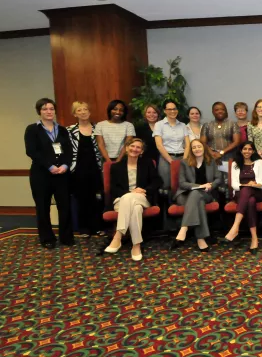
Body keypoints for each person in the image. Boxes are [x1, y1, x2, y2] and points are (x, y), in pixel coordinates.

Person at [25, 98, 74, 249]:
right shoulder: (32, 129)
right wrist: (50, 166)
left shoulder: (63, 130)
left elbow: (69, 151)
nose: (49, 112)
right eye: (45, 109)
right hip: (41, 175)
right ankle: (47, 238)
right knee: (43, 207)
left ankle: (66, 237)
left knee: (65, 206)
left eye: (51, 109)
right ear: (39, 111)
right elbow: (32, 151)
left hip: (62, 174)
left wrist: (65, 165)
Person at [104, 138, 162, 261]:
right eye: (132, 146)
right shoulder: (116, 167)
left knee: (131, 200)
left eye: (138, 147)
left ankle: (118, 236)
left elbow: (157, 181)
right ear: (126, 148)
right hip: (121, 200)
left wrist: (144, 190)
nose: (134, 149)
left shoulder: (147, 164)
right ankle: (136, 245)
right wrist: (130, 193)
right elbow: (113, 188)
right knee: (136, 208)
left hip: (142, 197)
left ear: (141, 151)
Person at [170, 139, 223, 252]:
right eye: (194, 147)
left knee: (197, 196)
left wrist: (211, 185)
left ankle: (183, 229)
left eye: (199, 146)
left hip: (206, 194)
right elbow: (182, 183)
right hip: (185, 195)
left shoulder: (211, 161)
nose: (196, 149)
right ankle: (200, 239)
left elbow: (218, 178)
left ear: (203, 148)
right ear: (191, 150)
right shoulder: (184, 162)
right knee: (198, 200)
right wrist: (199, 186)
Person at [223, 141, 262, 254]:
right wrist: (246, 185)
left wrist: (255, 185)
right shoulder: (235, 164)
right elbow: (234, 184)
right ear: (241, 150)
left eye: (250, 149)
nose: (247, 151)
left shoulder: (259, 162)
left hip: (259, 191)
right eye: (245, 149)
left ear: (253, 151)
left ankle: (235, 227)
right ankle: (254, 238)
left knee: (248, 192)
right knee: (250, 200)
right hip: (241, 193)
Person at [67, 101, 103, 237]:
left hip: (95, 168)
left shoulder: (98, 129)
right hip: (78, 169)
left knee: (97, 198)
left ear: (89, 112)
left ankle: (97, 227)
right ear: (74, 114)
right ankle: (84, 228)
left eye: (85, 109)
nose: (83, 112)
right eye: (79, 110)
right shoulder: (69, 130)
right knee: (82, 199)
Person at [154, 100, 190, 190]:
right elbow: (159, 145)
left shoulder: (183, 125)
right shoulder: (159, 125)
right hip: (166, 158)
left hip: (182, 157)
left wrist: (184, 160)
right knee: (166, 185)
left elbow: (187, 144)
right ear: (164, 111)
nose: (172, 111)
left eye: (174, 109)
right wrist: (171, 161)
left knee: (182, 184)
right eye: (169, 109)